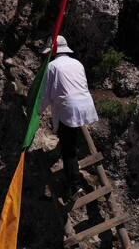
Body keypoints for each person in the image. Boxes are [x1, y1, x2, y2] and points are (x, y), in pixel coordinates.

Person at [40, 35, 99, 201]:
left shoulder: (52, 67)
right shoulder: (77, 63)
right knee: (71, 140)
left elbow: (45, 95)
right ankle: (76, 177)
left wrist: (37, 112)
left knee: (68, 150)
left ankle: (75, 185)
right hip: (85, 105)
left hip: (69, 109)